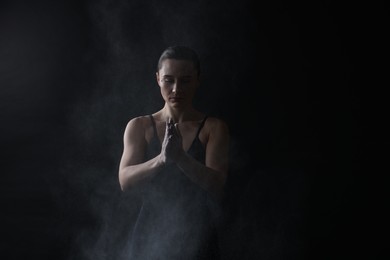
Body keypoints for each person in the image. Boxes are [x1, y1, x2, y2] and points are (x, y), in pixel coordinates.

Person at [118, 45, 230, 259]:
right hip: (148, 233)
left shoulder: (213, 127)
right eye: (169, 80)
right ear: (158, 78)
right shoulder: (140, 126)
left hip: (200, 234)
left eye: (185, 80)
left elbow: (217, 184)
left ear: (198, 80)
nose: (176, 89)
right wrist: (162, 159)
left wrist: (181, 158)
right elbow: (125, 180)